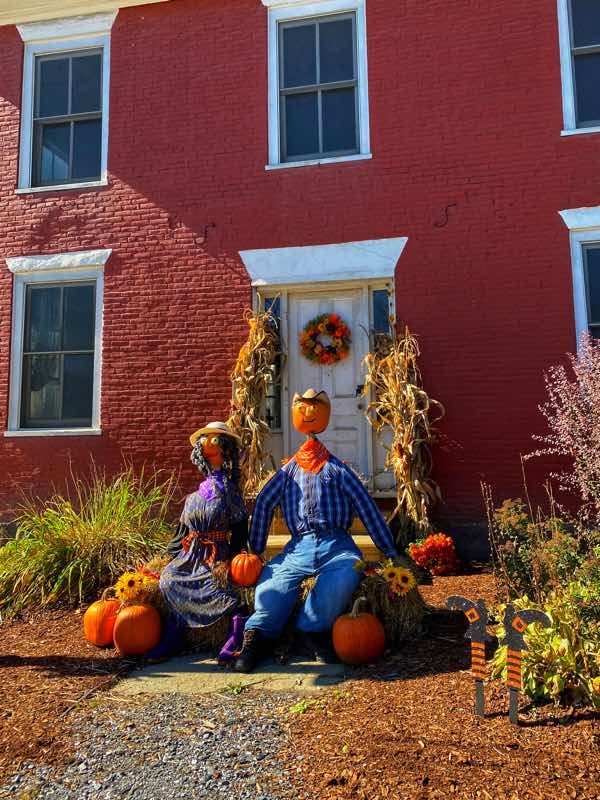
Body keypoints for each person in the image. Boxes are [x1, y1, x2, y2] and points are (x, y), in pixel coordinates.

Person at [234, 389, 400, 672]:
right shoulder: (287, 473)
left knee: (346, 571)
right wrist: (255, 549)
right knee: (275, 584)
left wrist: (390, 552)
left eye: (315, 408)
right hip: (297, 547)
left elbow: (367, 508)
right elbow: (263, 503)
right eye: (304, 407)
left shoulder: (337, 470)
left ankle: (311, 630)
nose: (309, 413)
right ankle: (257, 637)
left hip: (336, 545)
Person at [158, 422, 248, 641]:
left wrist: (235, 558)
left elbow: (239, 527)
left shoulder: (230, 492)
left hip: (215, 555)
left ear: (226, 449)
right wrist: (167, 556)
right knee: (168, 579)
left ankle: (238, 628)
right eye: (205, 439)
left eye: (215, 439)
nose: (209, 443)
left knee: (218, 587)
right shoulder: (196, 494)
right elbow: (182, 531)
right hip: (189, 554)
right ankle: (175, 631)